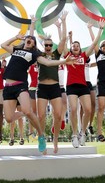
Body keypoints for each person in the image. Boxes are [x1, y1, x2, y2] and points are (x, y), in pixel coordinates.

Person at [0, 26, 75, 154]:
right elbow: (3, 45)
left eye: (32, 39)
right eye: (27, 38)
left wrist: (63, 61)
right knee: (8, 118)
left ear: (34, 44)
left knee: (28, 110)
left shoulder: (34, 54)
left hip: (21, 85)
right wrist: (16, 37)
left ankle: (41, 136)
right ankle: (27, 113)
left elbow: (48, 63)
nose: (29, 39)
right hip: (7, 87)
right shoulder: (16, 49)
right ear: (24, 41)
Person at [62, 15, 105, 148]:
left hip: (83, 86)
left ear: (80, 49)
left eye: (77, 45)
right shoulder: (68, 56)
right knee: (74, 109)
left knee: (88, 109)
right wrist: (64, 22)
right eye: (73, 45)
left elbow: (94, 44)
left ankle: (82, 132)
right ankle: (74, 134)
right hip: (71, 86)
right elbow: (63, 42)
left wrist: (100, 30)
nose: (75, 47)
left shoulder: (83, 56)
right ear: (71, 48)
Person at [36, 11, 69, 153]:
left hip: (55, 87)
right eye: (46, 45)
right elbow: (33, 39)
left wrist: (62, 22)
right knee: (41, 115)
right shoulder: (39, 55)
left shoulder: (56, 54)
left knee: (57, 115)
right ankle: (42, 139)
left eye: (50, 45)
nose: (48, 47)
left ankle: (55, 141)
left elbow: (63, 40)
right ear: (44, 46)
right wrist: (34, 27)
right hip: (42, 87)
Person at [27, 62, 38, 141]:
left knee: (39, 112)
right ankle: (31, 133)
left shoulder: (42, 65)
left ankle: (39, 132)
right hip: (32, 89)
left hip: (41, 88)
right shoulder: (30, 66)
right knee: (32, 111)